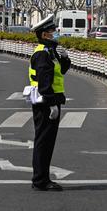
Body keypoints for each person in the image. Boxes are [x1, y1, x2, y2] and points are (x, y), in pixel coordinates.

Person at [28, 14, 71, 192]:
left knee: (47, 142)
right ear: (45, 35)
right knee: (43, 142)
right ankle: (40, 180)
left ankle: (42, 178)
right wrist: (51, 104)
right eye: (53, 31)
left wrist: (65, 58)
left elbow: (60, 71)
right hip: (45, 103)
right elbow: (45, 81)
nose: (56, 33)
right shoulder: (42, 54)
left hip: (49, 101)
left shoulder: (50, 51)